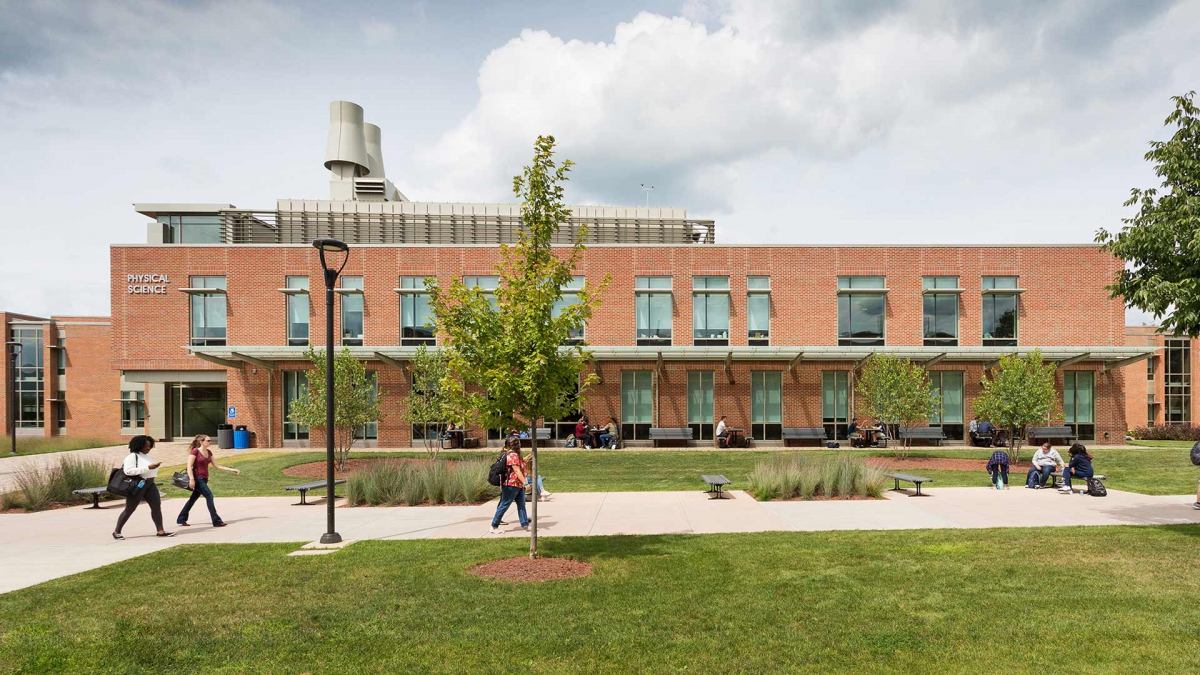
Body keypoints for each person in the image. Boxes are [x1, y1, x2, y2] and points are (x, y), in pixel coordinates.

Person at [112, 435, 173, 540]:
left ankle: (160, 531)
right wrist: (148, 467)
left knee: (156, 507)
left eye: (150, 446)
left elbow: (147, 470)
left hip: (150, 484)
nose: (148, 449)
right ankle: (117, 531)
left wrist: (152, 468)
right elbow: (128, 471)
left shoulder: (146, 456)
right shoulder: (132, 456)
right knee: (130, 509)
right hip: (138, 485)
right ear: (138, 446)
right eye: (146, 447)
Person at [176, 433, 241, 527]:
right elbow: (189, 466)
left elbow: (217, 466)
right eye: (208, 440)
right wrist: (192, 479)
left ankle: (181, 519)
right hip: (197, 478)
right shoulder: (195, 451)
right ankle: (216, 521)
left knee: (193, 499)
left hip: (204, 478)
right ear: (201, 442)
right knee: (209, 496)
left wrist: (232, 470)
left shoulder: (209, 452)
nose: (210, 442)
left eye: (210, 440)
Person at [489, 436, 529, 534]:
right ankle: (494, 526)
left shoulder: (514, 455)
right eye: (519, 443)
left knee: (521, 504)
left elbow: (519, 466)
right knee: (504, 505)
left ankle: (525, 524)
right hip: (511, 484)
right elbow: (516, 470)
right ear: (517, 445)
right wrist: (526, 483)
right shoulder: (513, 455)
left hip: (517, 485)